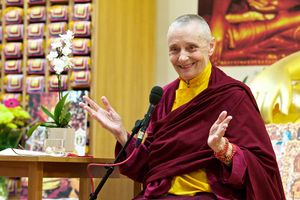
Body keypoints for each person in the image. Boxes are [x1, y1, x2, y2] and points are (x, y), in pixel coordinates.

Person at [80, 14, 285, 199]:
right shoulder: (166, 96)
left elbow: (262, 167)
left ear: (211, 46)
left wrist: (223, 149)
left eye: (191, 48)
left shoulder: (233, 95)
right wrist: (122, 135)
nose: (182, 57)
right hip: (161, 195)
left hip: (209, 195)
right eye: (174, 50)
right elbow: (148, 167)